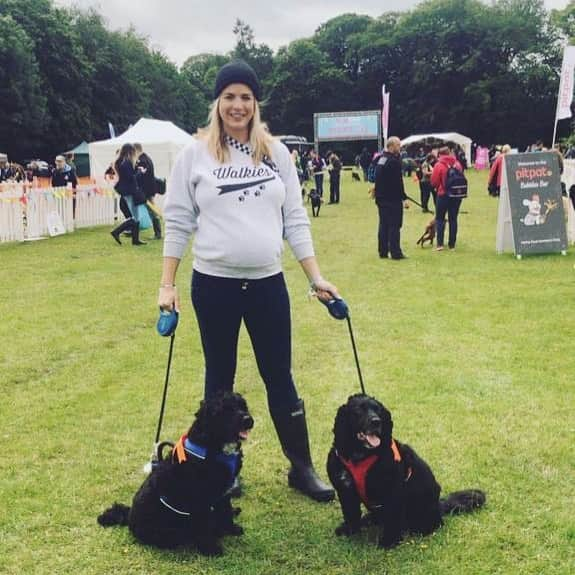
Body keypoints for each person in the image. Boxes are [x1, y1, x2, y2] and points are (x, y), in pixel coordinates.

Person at [158, 60, 338, 503]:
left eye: (245, 97)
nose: (237, 105)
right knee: (219, 378)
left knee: (280, 376)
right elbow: (178, 220)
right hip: (213, 284)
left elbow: (295, 220)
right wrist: (167, 283)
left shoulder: (277, 154)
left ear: (256, 104)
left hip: (266, 285)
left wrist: (315, 277)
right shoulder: (193, 155)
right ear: (216, 103)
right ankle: (223, 470)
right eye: (229, 97)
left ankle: (302, 467)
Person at [373, 136, 409, 260]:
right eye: (398, 145)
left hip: (381, 198)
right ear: (391, 146)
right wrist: (404, 198)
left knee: (383, 225)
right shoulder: (393, 161)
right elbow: (397, 182)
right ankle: (395, 252)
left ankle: (382, 251)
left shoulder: (381, 159)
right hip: (392, 199)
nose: (400, 148)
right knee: (394, 225)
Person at [110, 143, 146, 246]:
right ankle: (117, 232)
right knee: (135, 217)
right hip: (130, 190)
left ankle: (135, 239)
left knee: (135, 216)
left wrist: (137, 169)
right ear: (130, 152)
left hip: (126, 190)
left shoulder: (120, 162)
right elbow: (131, 177)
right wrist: (140, 172)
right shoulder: (126, 163)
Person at [430, 147, 464, 251]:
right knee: (453, 219)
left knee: (440, 219)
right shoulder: (457, 164)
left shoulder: (439, 165)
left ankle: (440, 244)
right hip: (456, 195)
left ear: (440, 154)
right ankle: (452, 245)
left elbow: (434, 182)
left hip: (443, 194)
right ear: (449, 153)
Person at [134, 143, 162, 239]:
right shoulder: (147, 158)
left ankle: (158, 233)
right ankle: (157, 232)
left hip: (147, 190)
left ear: (137, 150)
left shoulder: (142, 160)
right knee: (152, 209)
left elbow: (140, 176)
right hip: (150, 189)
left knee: (152, 210)